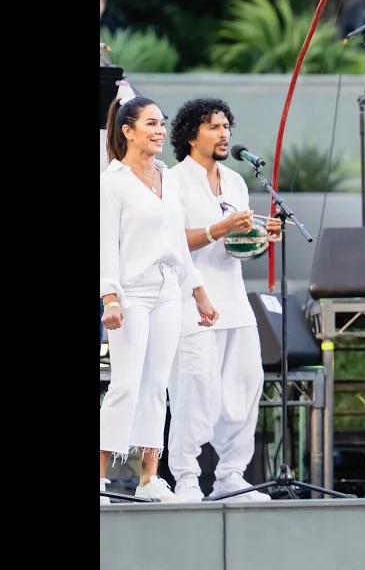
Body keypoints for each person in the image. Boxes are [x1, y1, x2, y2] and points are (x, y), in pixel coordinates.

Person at [101, 97, 220, 503]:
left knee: (156, 387)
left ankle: (149, 480)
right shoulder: (112, 182)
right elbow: (105, 247)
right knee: (126, 386)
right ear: (127, 130)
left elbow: (177, 245)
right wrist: (110, 298)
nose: (159, 130)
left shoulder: (168, 179)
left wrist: (199, 293)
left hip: (169, 290)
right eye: (150, 123)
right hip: (131, 293)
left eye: (162, 123)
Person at [167, 98, 279, 502]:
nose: (224, 133)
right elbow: (171, 242)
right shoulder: (172, 180)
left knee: (246, 385)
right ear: (190, 135)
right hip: (189, 303)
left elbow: (240, 246)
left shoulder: (235, 181)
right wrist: (219, 227)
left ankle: (232, 476)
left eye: (226, 125)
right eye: (213, 126)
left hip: (234, 299)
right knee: (194, 391)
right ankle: (187, 479)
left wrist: (263, 239)